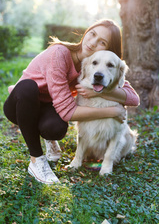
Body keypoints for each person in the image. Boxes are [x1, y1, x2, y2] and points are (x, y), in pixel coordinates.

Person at [3, 19, 140, 185]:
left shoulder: (94, 66)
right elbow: (68, 113)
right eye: (92, 34)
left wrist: (97, 91)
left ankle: (49, 139)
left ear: (108, 50)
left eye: (102, 42)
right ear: (86, 32)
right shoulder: (60, 53)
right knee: (28, 87)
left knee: (56, 128)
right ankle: (37, 161)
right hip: (20, 104)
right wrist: (112, 111)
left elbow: (133, 98)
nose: (93, 42)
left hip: (47, 106)